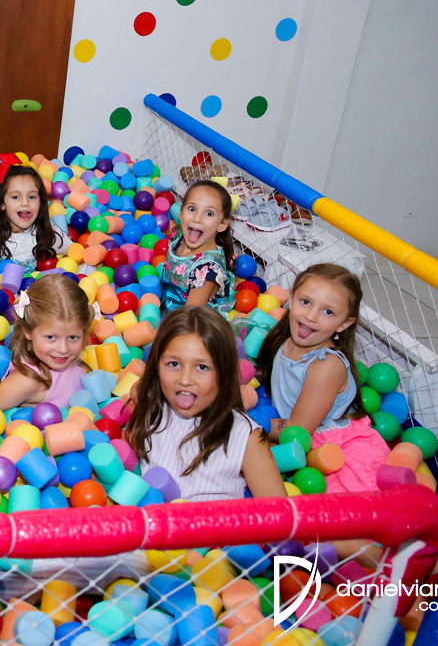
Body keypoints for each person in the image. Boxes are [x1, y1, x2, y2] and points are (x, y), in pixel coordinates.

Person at [125, 305, 286, 501]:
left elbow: (279, 512)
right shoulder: (154, 409)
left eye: (202, 367)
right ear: (156, 367)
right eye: (173, 364)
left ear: (225, 373)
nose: (185, 379)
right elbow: (138, 390)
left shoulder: (245, 438)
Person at [255, 264, 386, 493]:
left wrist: (243, 419)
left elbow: (297, 429)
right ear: (291, 298)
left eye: (328, 312)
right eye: (305, 302)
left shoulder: (326, 365)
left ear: (344, 323)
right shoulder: (284, 339)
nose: (311, 316)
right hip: (296, 445)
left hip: (336, 454)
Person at [0, 274, 93, 411]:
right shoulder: (27, 381)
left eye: (73, 337)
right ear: (28, 331)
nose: (63, 349)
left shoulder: (71, 360)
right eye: (51, 337)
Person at [0, 159, 68, 272]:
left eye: (32, 197)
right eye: (16, 197)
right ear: (2, 203)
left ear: (40, 202)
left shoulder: (43, 229)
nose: (25, 203)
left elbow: (71, 251)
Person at [158, 179, 237, 314]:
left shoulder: (206, 272)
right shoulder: (179, 236)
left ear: (222, 224)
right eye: (192, 209)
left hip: (188, 317)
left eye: (209, 213)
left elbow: (189, 316)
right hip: (165, 298)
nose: (197, 218)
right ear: (181, 213)